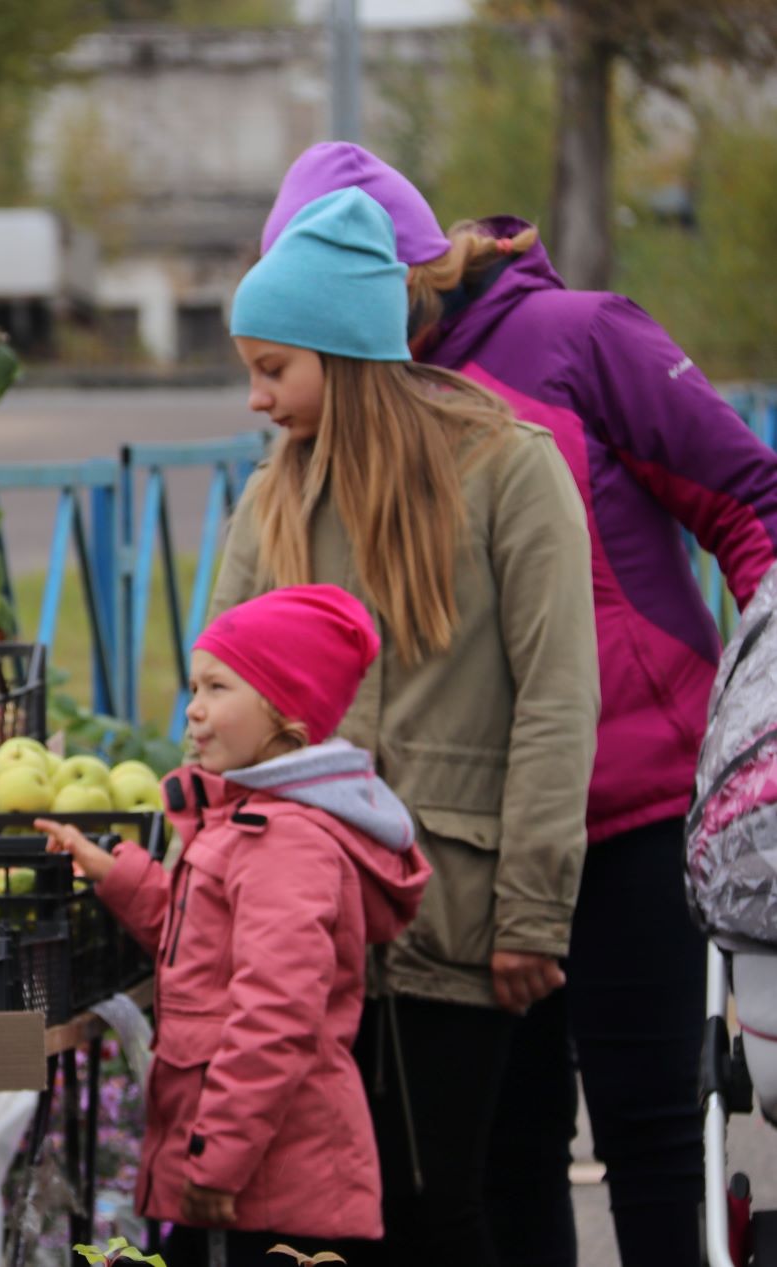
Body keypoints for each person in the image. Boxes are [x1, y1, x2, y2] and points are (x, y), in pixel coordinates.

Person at [263, 142, 777, 1267]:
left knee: (649, 1131)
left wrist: (760, 712)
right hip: (472, 841)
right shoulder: (342, 416)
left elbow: (750, 501)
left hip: (634, 805)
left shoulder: (581, 341)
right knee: (508, 1146)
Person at [210, 186, 602, 1267]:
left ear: (340, 353)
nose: (254, 399)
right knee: (307, 1216)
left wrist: (532, 909)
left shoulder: (511, 469)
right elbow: (214, 694)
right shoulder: (276, 493)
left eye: (271, 368)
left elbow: (558, 699)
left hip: (453, 919)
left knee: (436, 1204)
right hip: (294, 924)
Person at [40, 584, 430, 1266]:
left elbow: (275, 1013)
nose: (193, 707)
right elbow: (204, 944)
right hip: (241, 1173)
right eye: (194, 685)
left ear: (288, 714)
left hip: (261, 1184)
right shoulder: (244, 823)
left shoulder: (287, 843)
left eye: (218, 686)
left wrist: (216, 1160)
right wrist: (114, 872)